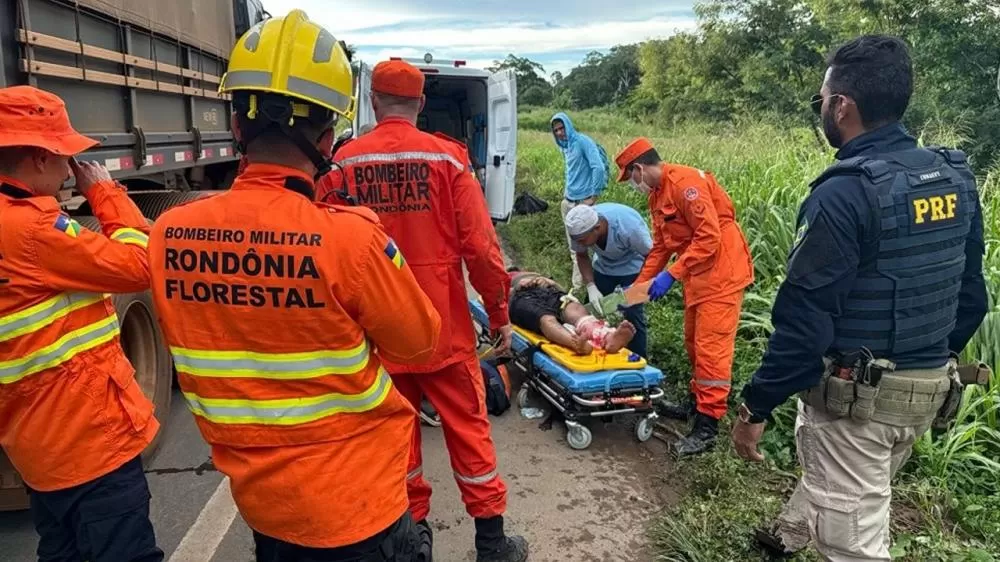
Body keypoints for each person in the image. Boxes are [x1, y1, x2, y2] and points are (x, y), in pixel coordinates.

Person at [147, 11, 443, 561]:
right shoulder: (351, 241)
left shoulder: (168, 234)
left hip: (265, 510)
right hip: (359, 510)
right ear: (328, 138)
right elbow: (420, 342)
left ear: (236, 127)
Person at [730, 35, 988, 560]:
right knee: (851, 481)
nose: (821, 109)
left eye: (820, 100)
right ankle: (787, 534)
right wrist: (923, 360)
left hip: (861, 404)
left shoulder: (844, 193)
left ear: (841, 106)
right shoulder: (954, 178)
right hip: (927, 390)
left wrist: (754, 406)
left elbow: (804, 323)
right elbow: (971, 296)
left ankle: (819, 531)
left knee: (852, 545)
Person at [319, 59, 529, 562]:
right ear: (420, 103)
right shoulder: (450, 161)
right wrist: (499, 313)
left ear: (372, 102)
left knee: (397, 439)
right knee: (469, 430)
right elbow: (481, 250)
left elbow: (322, 248)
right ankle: (492, 545)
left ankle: (414, 544)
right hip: (445, 330)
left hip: (375, 333)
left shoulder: (342, 165)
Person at [0, 85, 163, 561]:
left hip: (38, 443)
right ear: (36, 158)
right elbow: (141, 264)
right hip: (89, 443)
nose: (70, 169)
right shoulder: (33, 231)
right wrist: (105, 193)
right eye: (65, 157)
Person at [614, 137, 755, 457]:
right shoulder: (657, 195)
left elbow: (709, 238)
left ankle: (707, 426)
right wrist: (638, 289)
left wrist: (671, 275)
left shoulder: (686, 184)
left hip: (722, 273)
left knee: (711, 351)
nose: (633, 184)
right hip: (699, 276)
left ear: (639, 168)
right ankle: (696, 404)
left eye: (631, 177)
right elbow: (661, 247)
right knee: (694, 343)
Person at [564, 203, 652, 357]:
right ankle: (593, 347)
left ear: (597, 228)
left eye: (583, 241)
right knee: (589, 311)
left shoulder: (629, 228)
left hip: (633, 268)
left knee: (632, 315)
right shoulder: (578, 229)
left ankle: (638, 362)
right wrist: (591, 286)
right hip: (603, 267)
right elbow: (582, 255)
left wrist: (638, 285)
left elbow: (652, 257)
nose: (580, 244)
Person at [507, 268, 637, 355]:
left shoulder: (532, 274)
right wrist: (512, 289)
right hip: (519, 296)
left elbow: (561, 289)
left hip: (547, 290)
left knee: (574, 309)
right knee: (545, 319)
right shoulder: (504, 276)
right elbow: (492, 296)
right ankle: (576, 344)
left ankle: (607, 337)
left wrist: (548, 281)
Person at [551, 112, 609, 291]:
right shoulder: (565, 147)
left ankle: (584, 287)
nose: (560, 133)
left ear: (569, 126)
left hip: (583, 203)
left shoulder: (583, 142)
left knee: (587, 246)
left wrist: (593, 196)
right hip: (568, 201)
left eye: (562, 128)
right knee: (574, 248)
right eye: (556, 130)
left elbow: (597, 167)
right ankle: (581, 285)